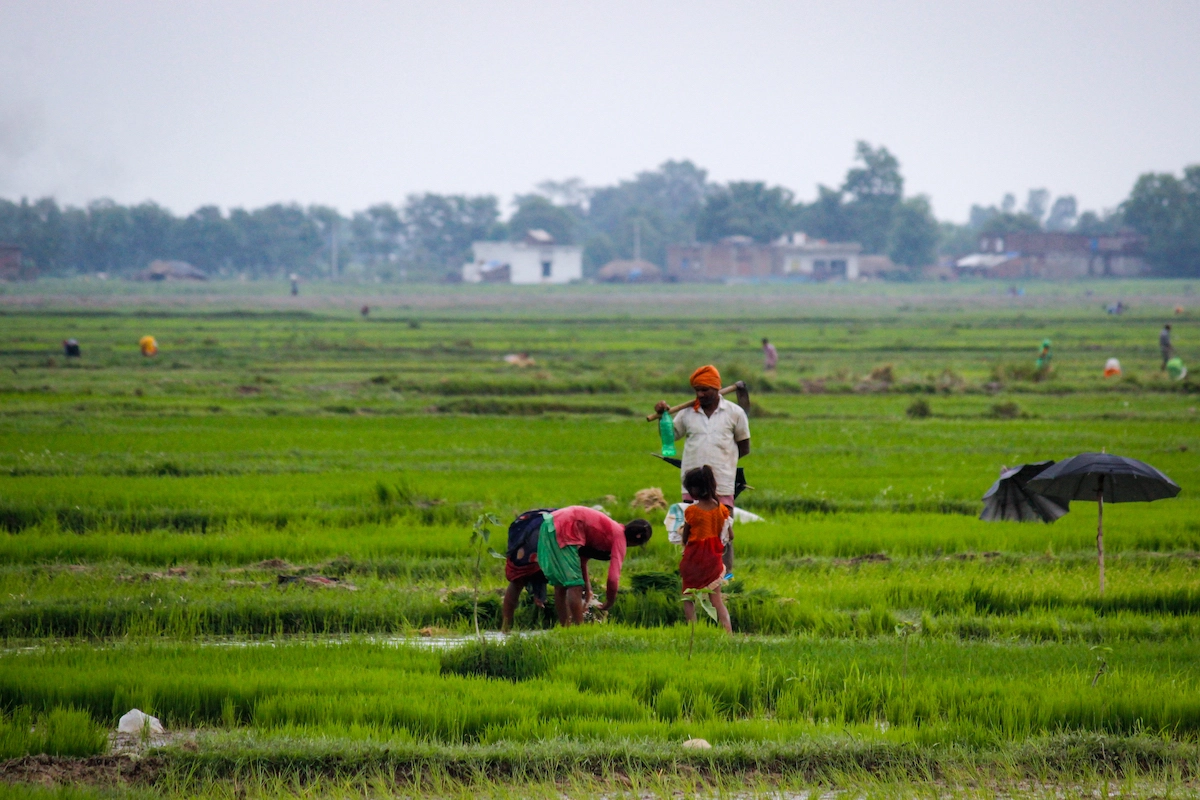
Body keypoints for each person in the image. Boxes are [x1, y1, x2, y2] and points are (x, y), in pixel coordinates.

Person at [654, 365, 750, 576]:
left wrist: (724, 464)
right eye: (697, 390)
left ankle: (725, 576)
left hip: (722, 483)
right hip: (693, 484)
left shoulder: (734, 413)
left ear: (717, 389)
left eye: (705, 389)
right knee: (690, 531)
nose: (700, 394)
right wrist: (663, 417)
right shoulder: (687, 413)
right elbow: (670, 436)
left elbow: (744, 447)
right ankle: (695, 573)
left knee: (723, 532)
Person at [536, 506, 652, 626]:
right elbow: (613, 578)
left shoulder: (610, 530)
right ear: (637, 542)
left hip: (552, 522)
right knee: (574, 585)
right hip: (568, 524)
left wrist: (588, 587)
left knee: (561, 584)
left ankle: (566, 628)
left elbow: (582, 559)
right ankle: (579, 630)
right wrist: (609, 602)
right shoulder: (619, 538)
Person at [679, 466, 733, 634]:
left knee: (688, 597)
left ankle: (693, 631)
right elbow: (730, 535)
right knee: (716, 600)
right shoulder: (722, 510)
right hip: (713, 560)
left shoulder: (692, 511)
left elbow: (685, 537)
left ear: (696, 489)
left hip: (694, 559)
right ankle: (728, 633)